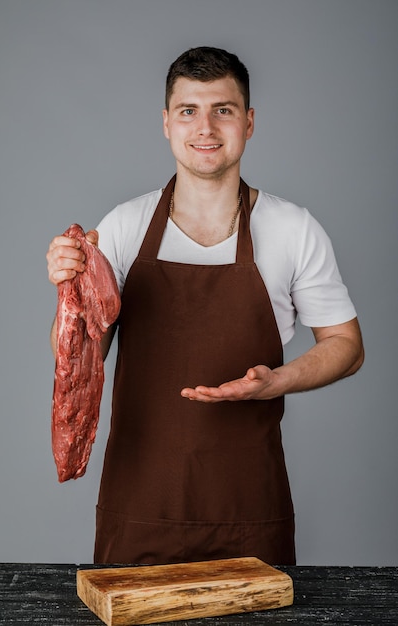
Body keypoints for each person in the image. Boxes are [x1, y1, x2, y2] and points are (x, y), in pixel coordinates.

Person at [47, 46, 364, 566]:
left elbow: (347, 347)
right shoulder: (125, 227)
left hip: (249, 513)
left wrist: (276, 381)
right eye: (189, 111)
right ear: (166, 123)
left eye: (224, 109)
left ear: (250, 122)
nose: (206, 127)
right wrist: (69, 293)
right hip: (138, 510)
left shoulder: (292, 229)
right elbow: (83, 359)